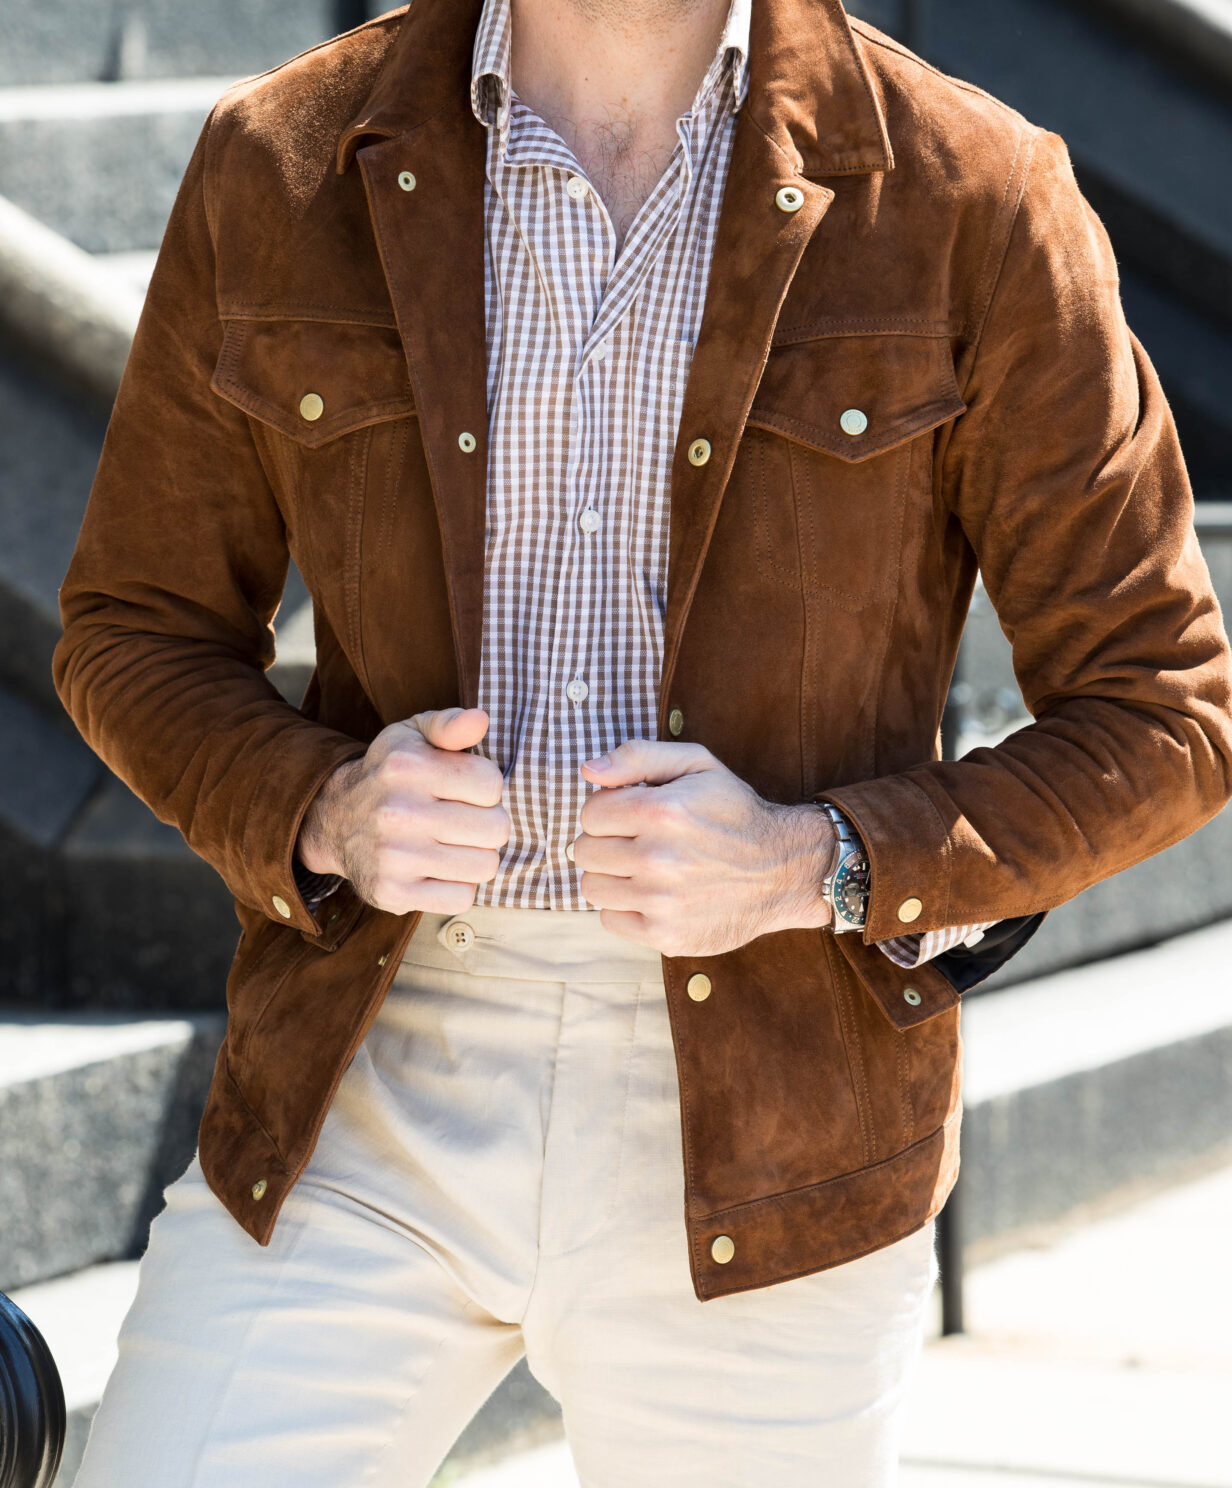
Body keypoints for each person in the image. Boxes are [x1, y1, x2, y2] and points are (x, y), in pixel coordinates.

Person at [52, 0, 1232, 1483]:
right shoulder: (281, 160)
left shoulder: (970, 190)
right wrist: (325, 808)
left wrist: (818, 862)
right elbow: (129, 629)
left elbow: (1165, 706)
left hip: (777, 1124)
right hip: (365, 1086)